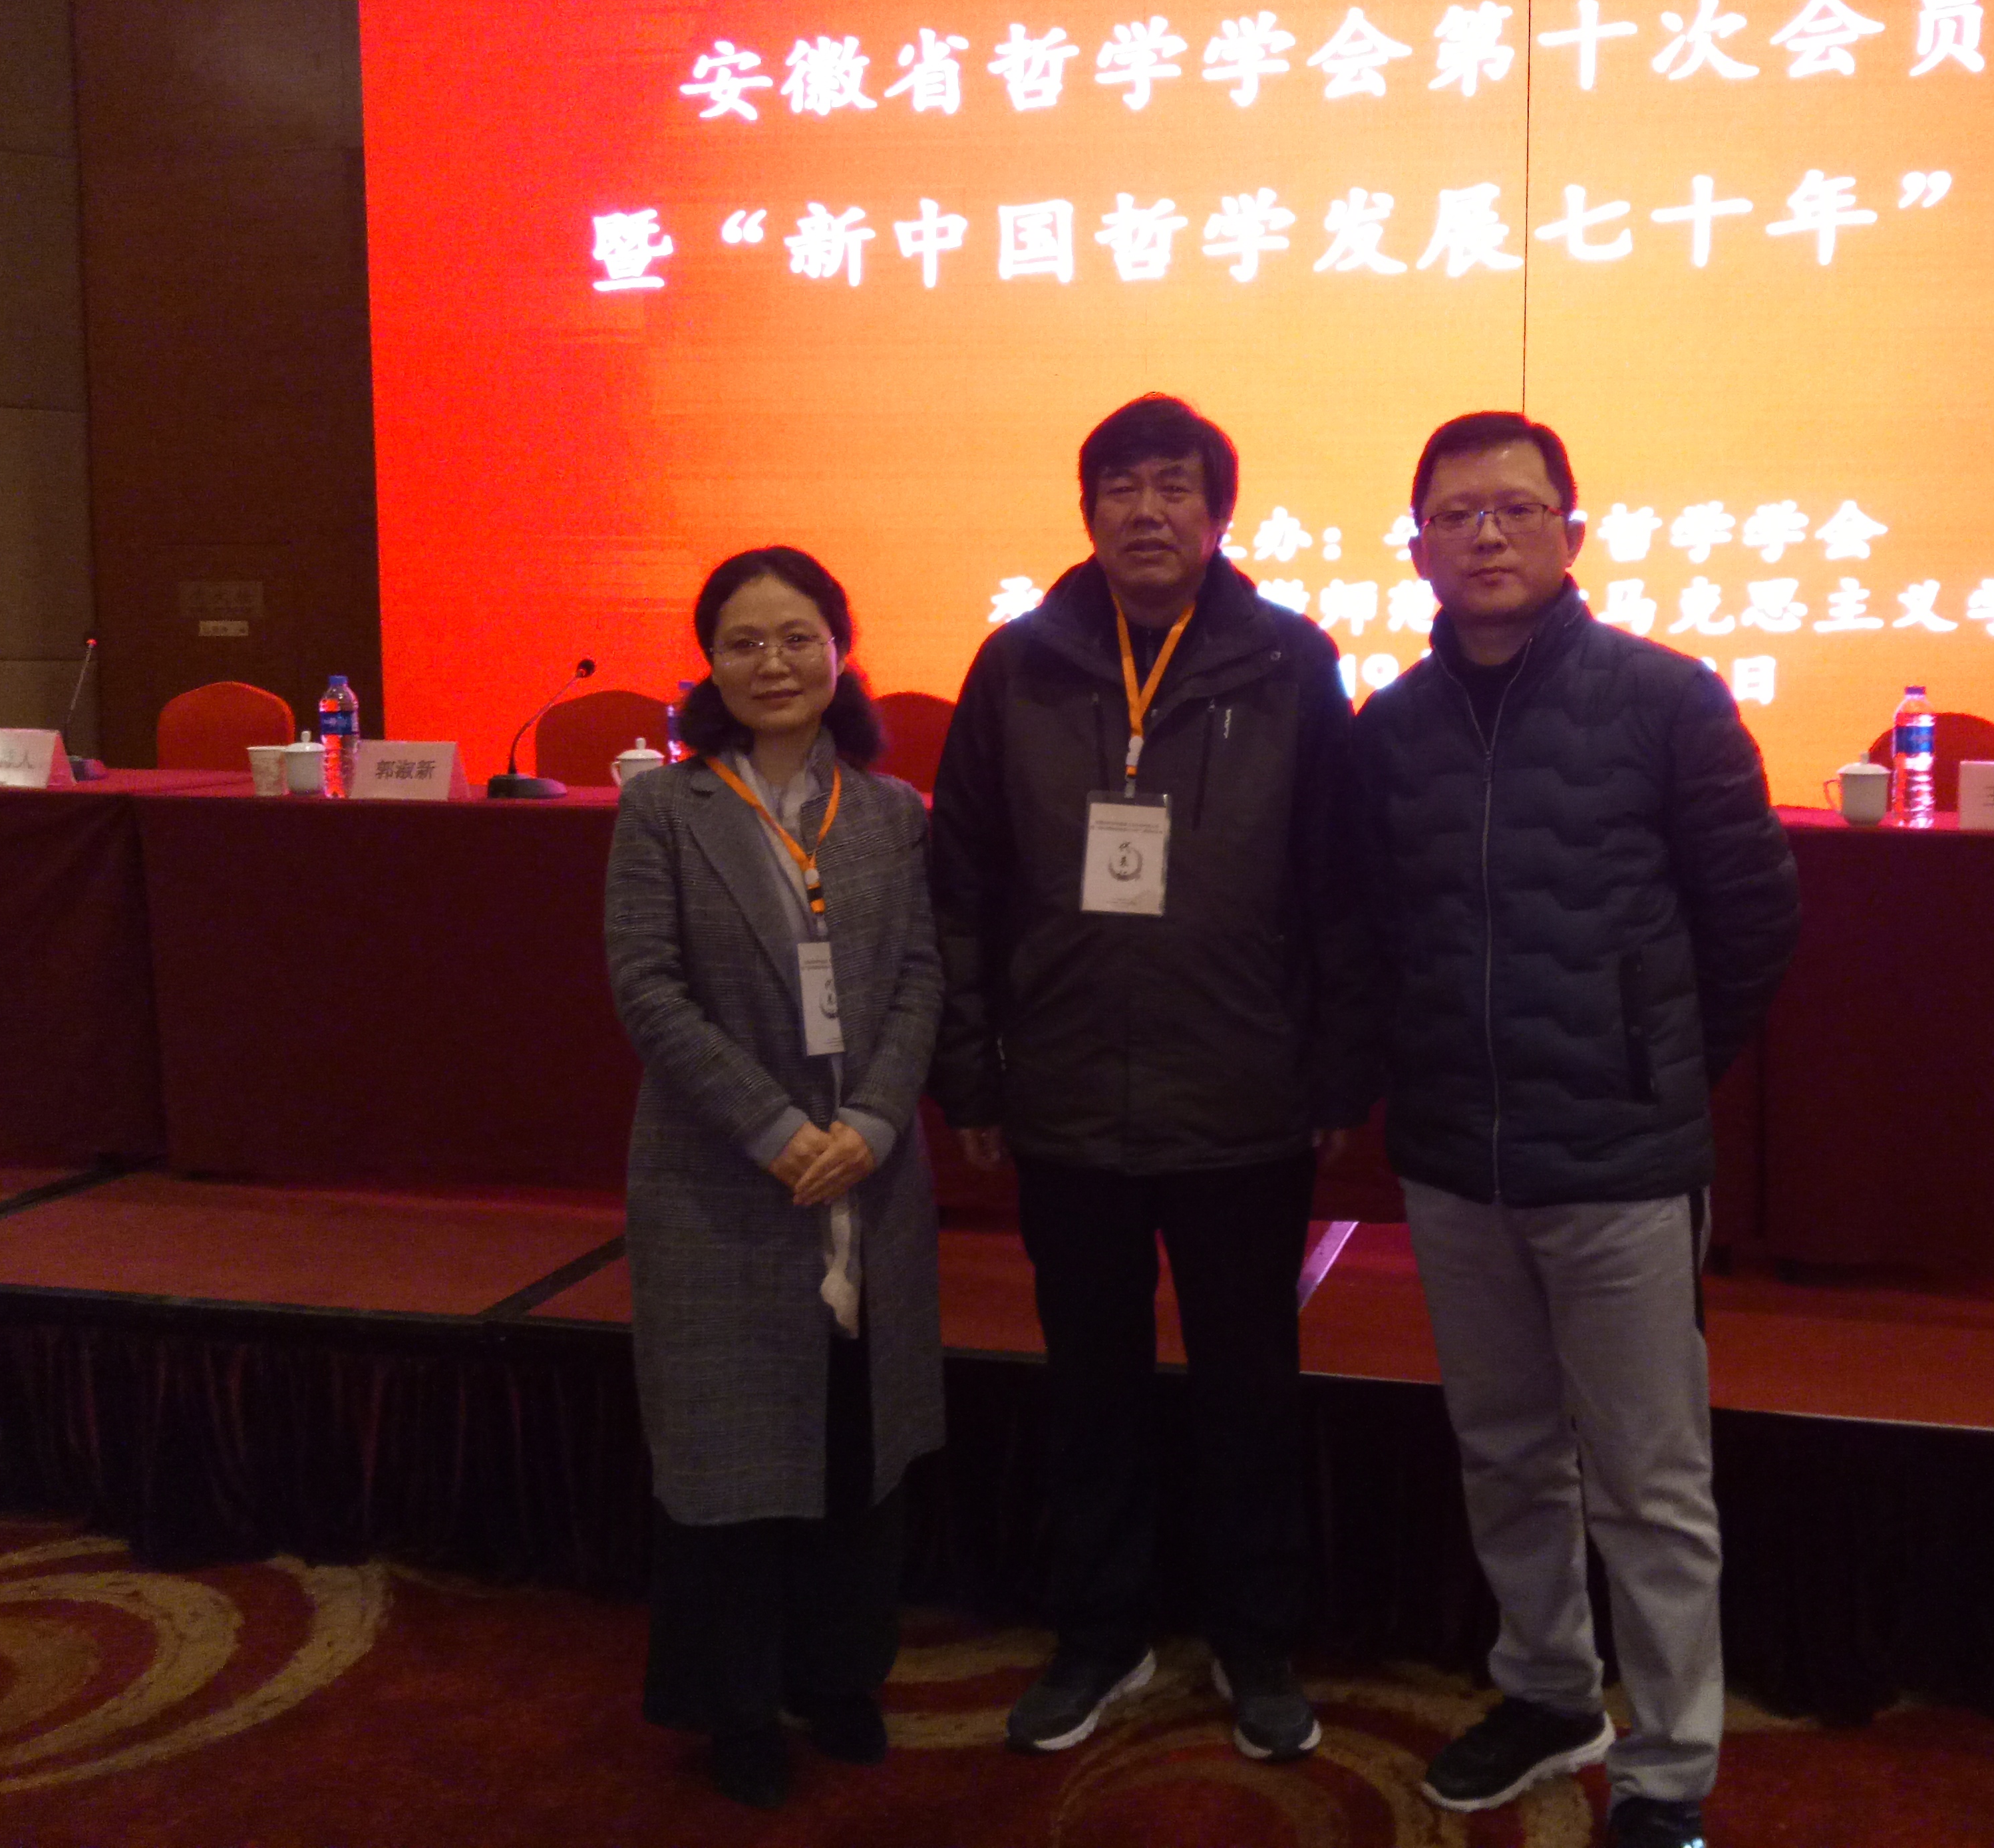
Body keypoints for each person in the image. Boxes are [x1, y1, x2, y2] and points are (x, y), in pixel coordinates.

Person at [1352, 413, 1802, 1848]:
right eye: (1456, 514)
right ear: (1418, 547)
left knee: (1649, 1482)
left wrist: (1649, 1070)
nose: (1486, 534)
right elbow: (1371, 938)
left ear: (1573, 534)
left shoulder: (1666, 701)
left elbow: (1752, 920)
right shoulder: (1389, 733)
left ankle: (1668, 1773)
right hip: (1455, 1162)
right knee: (1502, 1449)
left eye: (1516, 508)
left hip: (1618, 1165)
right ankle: (1548, 1693)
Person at [928, 392, 1378, 1764]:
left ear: (1219, 514)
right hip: (1066, 1094)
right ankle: (1100, 1635)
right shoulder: (1019, 666)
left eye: (1174, 486)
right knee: (1091, 1387)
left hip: (1243, 1096)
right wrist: (971, 1074)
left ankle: (1257, 1642)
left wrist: (1336, 1070)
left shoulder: (1289, 662)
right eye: (1120, 487)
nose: (1146, 511)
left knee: (1251, 1387)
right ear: (1087, 514)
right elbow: (962, 884)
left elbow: (1340, 883)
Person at [603, 546, 946, 1810]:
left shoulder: (893, 814)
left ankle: (841, 1677)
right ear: (710, 664)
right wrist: (771, 1128)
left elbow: (924, 978)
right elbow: (647, 986)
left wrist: (874, 1118)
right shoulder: (666, 808)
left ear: (840, 650)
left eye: (798, 637)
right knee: (731, 1456)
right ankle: (737, 1703)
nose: (774, 663)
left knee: (857, 1442)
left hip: (867, 1173)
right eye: (744, 642)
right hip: (720, 1180)